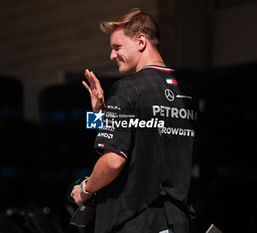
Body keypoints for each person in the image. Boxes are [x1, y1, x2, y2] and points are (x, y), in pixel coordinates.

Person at [71, 8, 197, 233]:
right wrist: (101, 112)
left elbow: (113, 160)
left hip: (136, 222)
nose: (112, 56)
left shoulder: (127, 89)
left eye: (116, 47)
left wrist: (86, 189)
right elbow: (148, 137)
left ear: (141, 42)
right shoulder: (187, 94)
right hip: (179, 222)